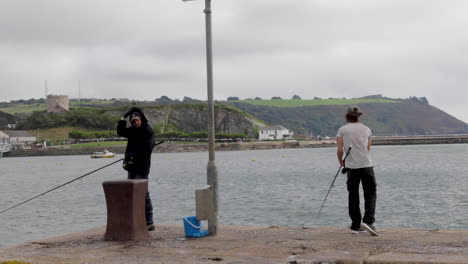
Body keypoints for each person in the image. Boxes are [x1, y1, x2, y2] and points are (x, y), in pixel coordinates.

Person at [336, 106, 379, 236]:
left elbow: (339, 150)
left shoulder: (342, 130)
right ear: (358, 116)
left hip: (351, 168)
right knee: (370, 193)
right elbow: (368, 148)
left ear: (347, 116)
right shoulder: (367, 129)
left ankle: (355, 225)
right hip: (367, 166)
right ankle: (368, 221)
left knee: (353, 195)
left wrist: (341, 162)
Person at [117, 107, 156, 231]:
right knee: (132, 192)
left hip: (142, 167)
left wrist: (133, 154)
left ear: (141, 119)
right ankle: (136, 220)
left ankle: (149, 221)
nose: (135, 123)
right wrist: (123, 117)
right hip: (132, 167)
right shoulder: (132, 131)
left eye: (137, 120)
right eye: (133, 121)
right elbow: (120, 131)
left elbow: (147, 149)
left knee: (143, 193)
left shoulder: (148, 131)